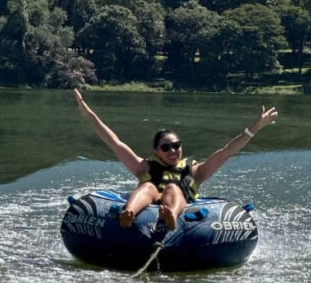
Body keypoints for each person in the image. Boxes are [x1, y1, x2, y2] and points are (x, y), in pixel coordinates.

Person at [73, 88, 278, 231]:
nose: (173, 150)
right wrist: (88, 114)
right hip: (149, 203)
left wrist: (255, 128)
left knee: (172, 188)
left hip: (179, 208)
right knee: (148, 187)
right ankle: (129, 213)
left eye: (176, 145)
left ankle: (171, 215)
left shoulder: (196, 171)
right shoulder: (144, 167)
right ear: (156, 151)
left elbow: (227, 151)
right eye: (166, 147)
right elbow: (113, 142)